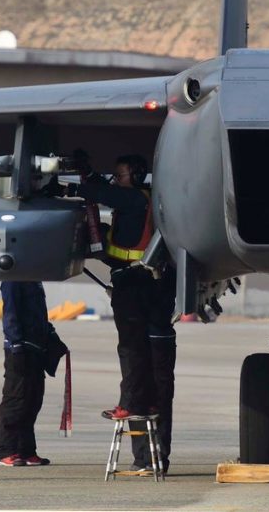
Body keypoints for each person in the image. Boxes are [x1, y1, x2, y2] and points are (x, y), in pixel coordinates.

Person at [77, 154, 176, 475]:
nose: (116, 181)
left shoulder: (135, 199)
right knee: (152, 374)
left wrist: (75, 183)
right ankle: (148, 458)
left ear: (135, 176)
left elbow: (104, 194)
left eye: (120, 175)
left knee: (133, 354)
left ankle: (133, 408)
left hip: (136, 289)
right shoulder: (138, 203)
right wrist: (89, 174)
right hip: (144, 290)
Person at [0, 280, 63, 467]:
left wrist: (50, 334)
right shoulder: (13, 280)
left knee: (33, 400)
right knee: (16, 399)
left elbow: (38, 315)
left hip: (36, 348)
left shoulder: (35, 281)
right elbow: (10, 314)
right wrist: (16, 345)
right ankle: (5, 451)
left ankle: (26, 450)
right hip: (20, 348)